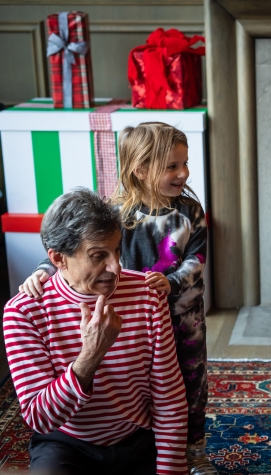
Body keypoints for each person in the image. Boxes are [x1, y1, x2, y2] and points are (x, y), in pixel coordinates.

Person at [19, 122, 215, 475]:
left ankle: (192, 450)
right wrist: (42, 271)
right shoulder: (116, 215)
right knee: (129, 377)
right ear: (140, 169)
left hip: (178, 314)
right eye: (172, 166)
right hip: (129, 312)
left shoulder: (190, 212)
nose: (183, 173)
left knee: (189, 385)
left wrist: (169, 284)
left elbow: (197, 259)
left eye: (185, 164)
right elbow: (73, 246)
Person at [4, 188, 188, 474]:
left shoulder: (147, 294)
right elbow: (39, 418)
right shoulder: (24, 312)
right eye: (98, 255)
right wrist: (90, 355)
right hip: (67, 444)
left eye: (117, 250)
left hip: (136, 439)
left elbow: (169, 397)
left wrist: (170, 471)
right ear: (58, 259)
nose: (116, 267)